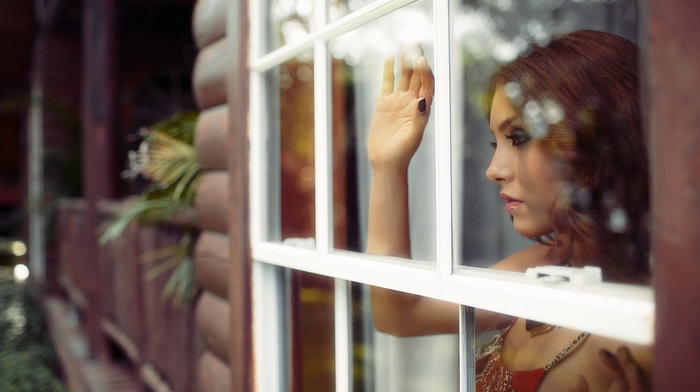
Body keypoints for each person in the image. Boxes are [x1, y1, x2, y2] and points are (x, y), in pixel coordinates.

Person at [366, 30, 652, 391]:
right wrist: (387, 166)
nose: (493, 170)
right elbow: (399, 315)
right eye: (496, 142)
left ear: (594, 140)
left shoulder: (655, 321)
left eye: (518, 138)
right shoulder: (552, 262)